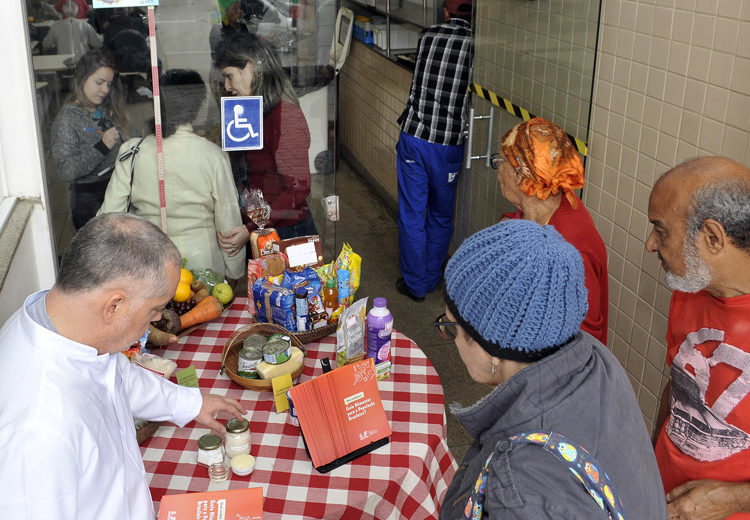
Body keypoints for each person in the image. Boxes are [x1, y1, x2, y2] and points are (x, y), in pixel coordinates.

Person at [0, 213, 246, 518]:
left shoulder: (68, 328)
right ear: (113, 306)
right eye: (155, 309)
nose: (158, 319)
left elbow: (117, 377)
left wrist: (190, 402)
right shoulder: (40, 430)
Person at [438, 219, 667, 519]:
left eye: (449, 328)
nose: (451, 340)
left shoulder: (522, 485)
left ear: (490, 346)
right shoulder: (594, 359)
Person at [646, 156, 750, 520]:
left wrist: (737, 500)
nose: (650, 244)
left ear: (712, 238)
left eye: (661, 230)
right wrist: (649, 453)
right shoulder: (690, 289)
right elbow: (679, 384)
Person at [99, 69, 245, 284]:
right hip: (204, 264)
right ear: (198, 106)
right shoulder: (212, 155)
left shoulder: (133, 152)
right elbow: (228, 222)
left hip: (150, 262)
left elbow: (109, 216)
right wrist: (234, 271)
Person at [493, 117, 608, 344]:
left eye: (500, 161)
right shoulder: (534, 213)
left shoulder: (571, 246)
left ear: (520, 175)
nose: (497, 171)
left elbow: (583, 338)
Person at [395, 0, 473, 302]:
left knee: (413, 214)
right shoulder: (476, 44)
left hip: (416, 136)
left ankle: (415, 286)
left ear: (445, 11)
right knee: (441, 215)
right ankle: (429, 279)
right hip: (449, 145)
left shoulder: (428, 35)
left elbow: (417, 84)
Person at [213, 32, 317, 248]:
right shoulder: (251, 107)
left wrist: (251, 228)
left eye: (229, 76)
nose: (227, 86)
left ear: (251, 68)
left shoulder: (284, 115)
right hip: (262, 223)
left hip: (286, 231)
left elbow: (297, 189)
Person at [50, 49, 130, 230]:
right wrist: (102, 147)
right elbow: (66, 171)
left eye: (109, 84)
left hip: (114, 190)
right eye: (99, 82)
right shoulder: (67, 118)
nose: (105, 90)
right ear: (82, 78)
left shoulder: (101, 107)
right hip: (89, 201)